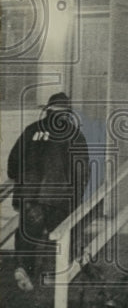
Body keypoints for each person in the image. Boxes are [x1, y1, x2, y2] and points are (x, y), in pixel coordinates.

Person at [7, 92, 89, 292]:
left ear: (48, 110)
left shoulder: (30, 131)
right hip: (58, 198)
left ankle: (23, 267)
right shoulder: (74, 134)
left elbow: (12, 165)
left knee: (27, 234)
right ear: (67, 113)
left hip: (30, 197)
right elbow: (81, 170)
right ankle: (65, 274)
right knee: (64, 237)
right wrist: (76, 198)